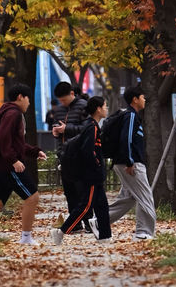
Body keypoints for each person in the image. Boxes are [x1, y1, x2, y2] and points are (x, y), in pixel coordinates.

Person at [0, 83, 47, 245]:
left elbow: (15, 143)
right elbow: (3, 138)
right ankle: (26, 237)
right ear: (20, 97)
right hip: (8, 167)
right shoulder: (14, 113)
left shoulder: (5, 112)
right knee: (32, 197)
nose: (29, 103)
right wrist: (14, 160)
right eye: (28, 99)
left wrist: (34, 151)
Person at [51, 96, 112, 244]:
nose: (106, 108)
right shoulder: (92, 127)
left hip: (94, 175)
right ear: (98, 108)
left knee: (102, 206)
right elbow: (88, 150)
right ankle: (60, 232)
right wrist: (97, 165)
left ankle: (105, 236)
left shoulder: (92, 125)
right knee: (85, 206)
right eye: (105, 106)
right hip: (91, 175)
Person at [107, 85, 156, 241]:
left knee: (128, 198)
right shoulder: (131, 116)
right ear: (135, 99)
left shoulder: (132, 116)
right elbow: (126, 139)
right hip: (130, 164)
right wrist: (129, 161)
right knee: (145, 197)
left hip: (125, 163)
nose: (145, 99)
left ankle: (100, 221)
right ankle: (143, 233)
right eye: (142, 96)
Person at [51, 81, 89, 231]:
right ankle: (75, 223)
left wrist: (67, 129)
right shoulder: (59, 110)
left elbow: (87, 129)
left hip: (80, 155)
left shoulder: (84, 106)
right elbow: (57, 128)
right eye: (60, 100)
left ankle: (88, 221)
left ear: (72, 94)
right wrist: (55, 131)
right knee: (70, 192)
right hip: (64, 155)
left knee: (82, 191)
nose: (62, 103)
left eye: (64, 100)